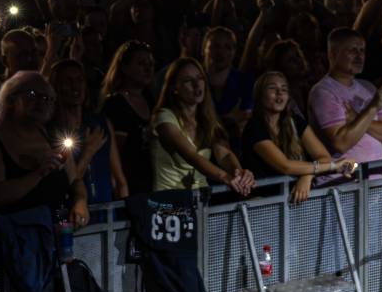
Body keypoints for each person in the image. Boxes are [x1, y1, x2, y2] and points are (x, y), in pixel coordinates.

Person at [0, 71, 86, 223]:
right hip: (18, 235)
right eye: (32, 94)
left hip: (59, 231)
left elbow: (75, 181)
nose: (41, 102)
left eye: (47, 98)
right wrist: (39, 173)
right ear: (11, 98)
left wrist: (80, 202)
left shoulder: (53, 138)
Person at [239, 71, 355, 201]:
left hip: (293, 199)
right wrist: (334, 166)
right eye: (272, 88)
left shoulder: (295, 121)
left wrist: (307, 175)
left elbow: (323, 157)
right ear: (259, 95)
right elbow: (285, 166)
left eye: (284, 89)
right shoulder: (254, 127)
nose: (280, 93)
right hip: (265, 202)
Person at [150, 57, 254, 195]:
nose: (196, 84)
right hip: (169, 202)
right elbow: (191, 156)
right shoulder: (164, 117)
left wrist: (238, 173)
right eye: (188, 80)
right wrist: (224, 177)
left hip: (199, 199)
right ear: (174, 88)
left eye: (200, 78)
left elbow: (224, 154)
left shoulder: (206, 118)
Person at [308, 28, 382, 170]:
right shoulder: (323, 92)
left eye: (362, 50)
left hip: (375, 179)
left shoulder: (368, 87)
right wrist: (373, 108)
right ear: (333, 54)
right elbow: (341, 143)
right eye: (352, 50)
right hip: (344, 183)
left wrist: (357, 117)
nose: (359, 56)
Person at [47, 58, 125, 204]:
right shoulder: (53, 131)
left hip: (106, 214)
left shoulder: (100, 123)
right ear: (56, 86)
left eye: (79, 80)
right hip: (74, 214)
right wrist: (88, 152)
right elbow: (66, 184)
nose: (75, 86)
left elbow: (119, 179)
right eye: (68, 81)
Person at [99, 40, 158, 197]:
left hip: (153, 184)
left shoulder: (151, 99)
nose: (148, 68)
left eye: (151, 64)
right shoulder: (116, 104)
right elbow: (114, 153)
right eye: (141, 63)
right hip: (130, 188)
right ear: (124, 67)